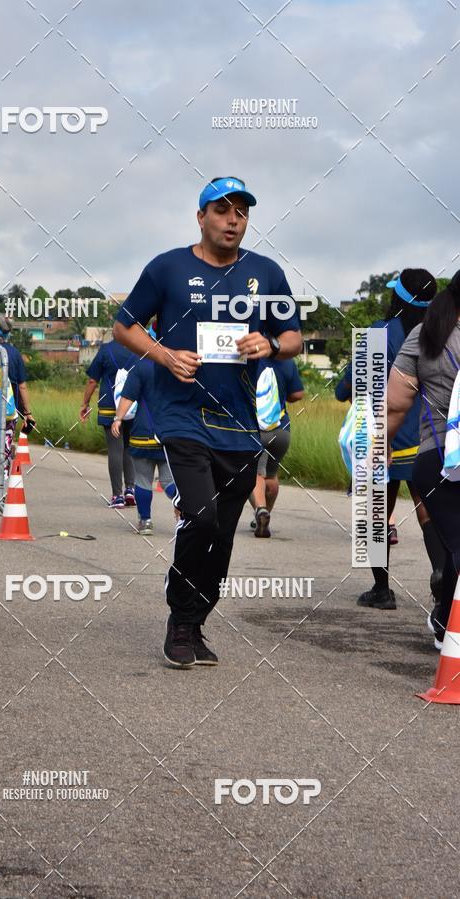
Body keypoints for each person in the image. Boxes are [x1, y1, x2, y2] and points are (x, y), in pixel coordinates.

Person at [113, 176, 302, 668]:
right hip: (182, 415)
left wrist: (270, 345)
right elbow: (124, 325)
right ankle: (179, 617)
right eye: (221, 210)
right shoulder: (168, 268)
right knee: (200, 515)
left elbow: (293, 337)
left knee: (221, 534)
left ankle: (197, 623)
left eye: (240, 211)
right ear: (201, 218)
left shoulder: (267, 273)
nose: (232, 219)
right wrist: (164, 355)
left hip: (239, 424)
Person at [335, 269, 446, 611]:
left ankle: (381, 590)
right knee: (429, 511)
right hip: (427, 439)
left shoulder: (379, 334)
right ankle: (443, 577)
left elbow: (345, 389)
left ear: (396, 298)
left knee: (375, 514)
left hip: (383, 438)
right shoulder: (439, 335)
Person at [389, 270, 460, 649]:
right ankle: (447, 621)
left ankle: (445, 618)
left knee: (454, 543)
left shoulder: (424, 335)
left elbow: (395, 403)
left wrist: (378, 446)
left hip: (437, 457)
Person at [110, 345, 177, 536]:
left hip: (143, 432)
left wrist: (118, 419)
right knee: (168, 480)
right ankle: (182, 506)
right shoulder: (176, 363)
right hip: (170, 433)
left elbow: (128, 396)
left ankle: (145, 521)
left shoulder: (141, 366)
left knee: (142, 479)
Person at [248, 358, 304, 537]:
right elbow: (297, 394)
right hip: (281, 430)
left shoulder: (248, 359)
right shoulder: (287, 361)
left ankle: (261, 510)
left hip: (256, 427)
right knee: (271, 475)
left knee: (255, 473)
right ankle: (265, 513)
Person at [80, 338, 137, 508]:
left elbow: (92, 380)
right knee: (129, 447)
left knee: (115, 449)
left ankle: (117, 496)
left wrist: (85, 404)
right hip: (132, 407)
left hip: (109, 407)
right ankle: (130, 490)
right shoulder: (138, 347)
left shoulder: (106, 350)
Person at [0, 314, 35, 475]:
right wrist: (27, 413)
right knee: (4, 447)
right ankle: (1, 488)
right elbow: (22, 387)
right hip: (8, 409)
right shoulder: (14, 353)